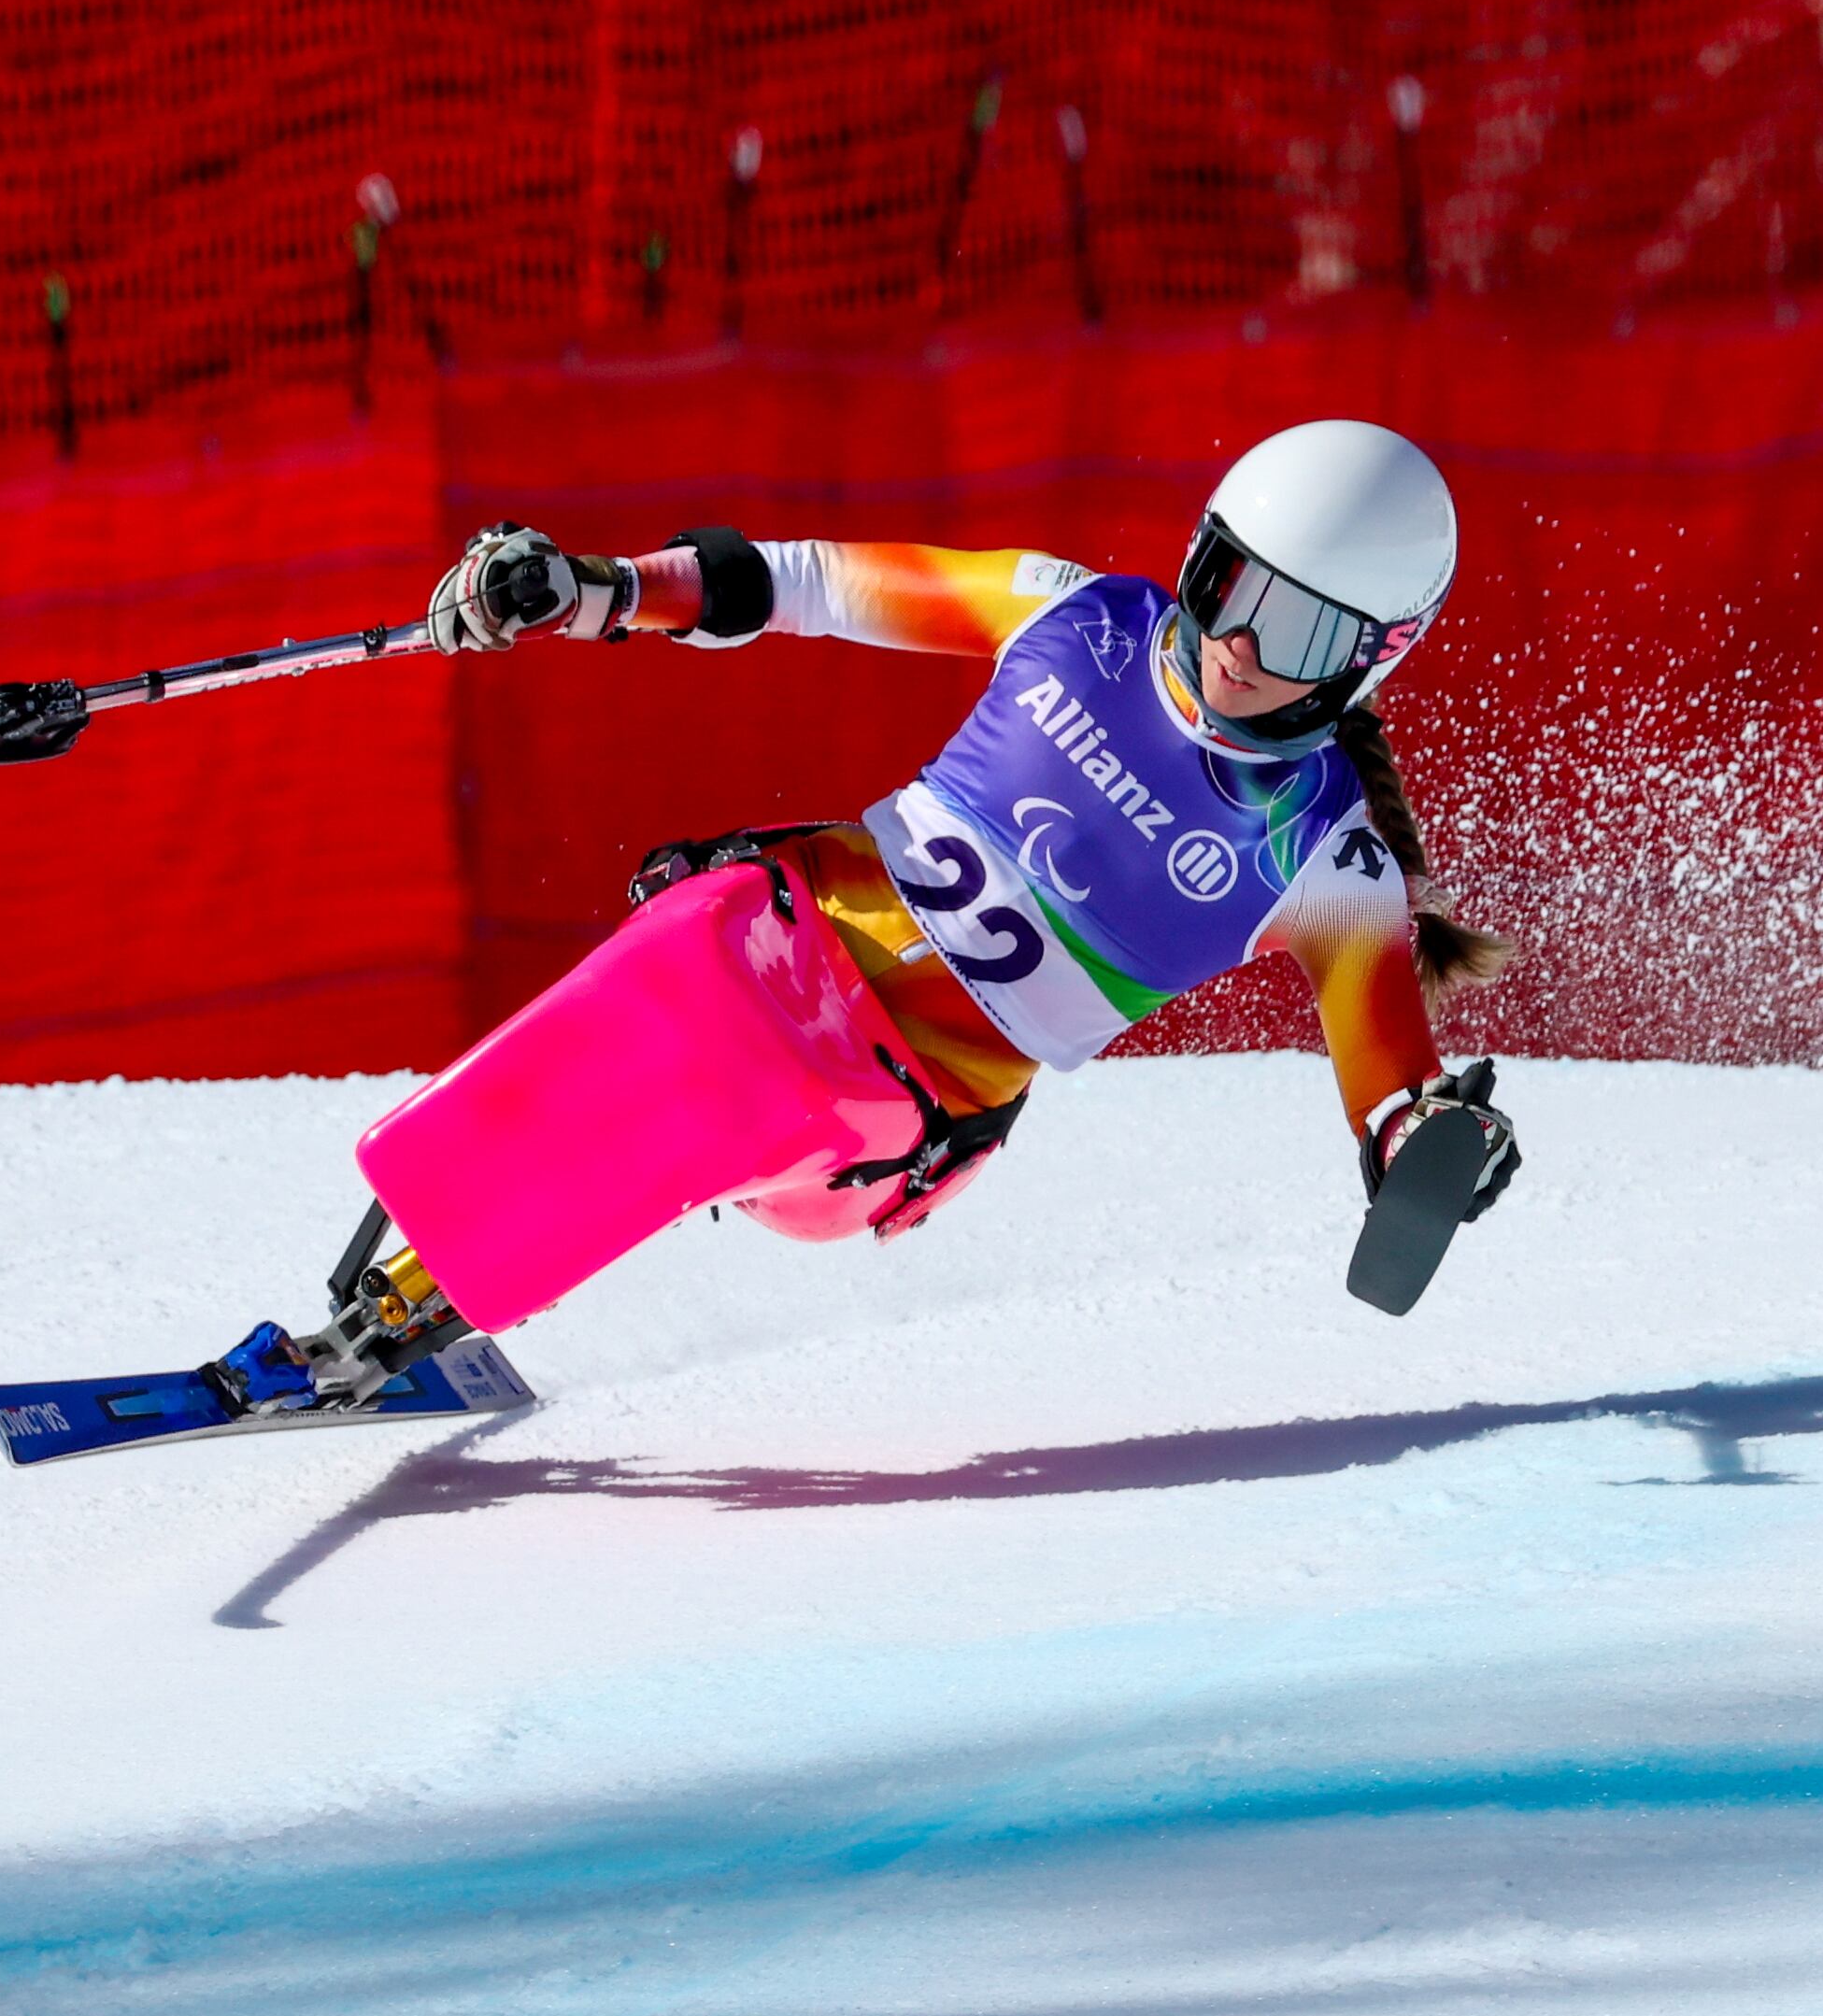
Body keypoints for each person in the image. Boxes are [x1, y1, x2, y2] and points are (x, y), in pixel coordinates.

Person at [198, 419, 1519, 1414]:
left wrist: (1429, 1140)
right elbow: (816, 585)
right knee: (699, 947)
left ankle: (408, 1311)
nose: (1238, 641)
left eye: (1295, 630)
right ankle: (406, 1264)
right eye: (1228, 583)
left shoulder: (1328, 858)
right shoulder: (1078, 619)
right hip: (782, 935)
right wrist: (599, 589)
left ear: (1372, 655)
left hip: (906, 1115)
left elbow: (1384, 1082)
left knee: (737, 1058)